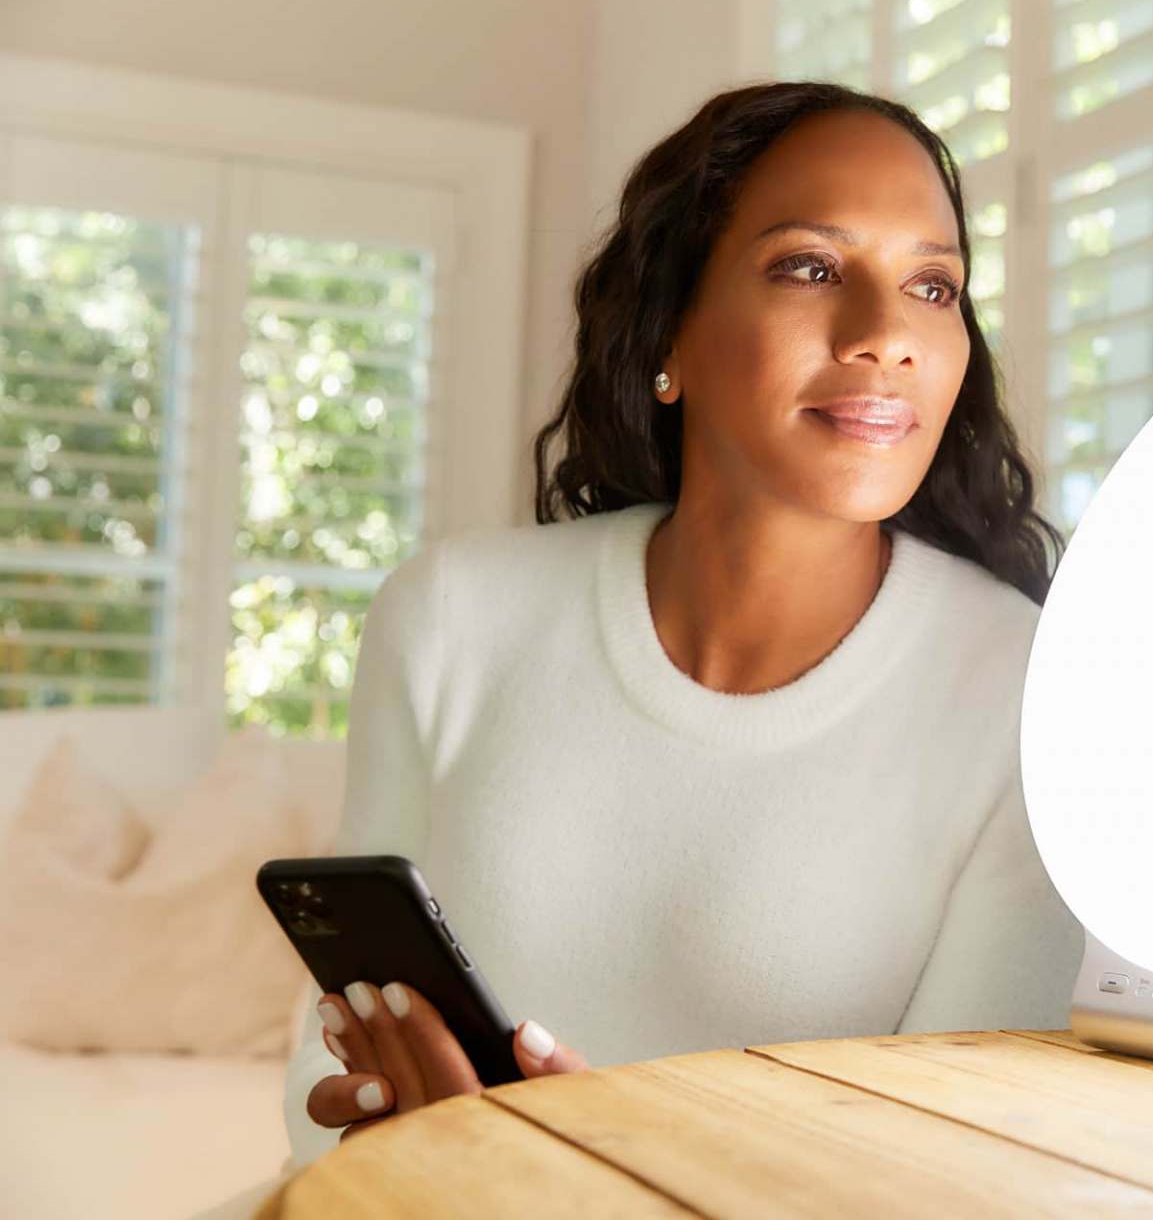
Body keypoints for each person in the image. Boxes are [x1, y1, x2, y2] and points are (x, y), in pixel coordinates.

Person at [279, 80, 1084, 1167]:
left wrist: (609, 1172)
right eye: (811, 267)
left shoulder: (1029, 698)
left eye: (932, 286)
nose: (887, 335)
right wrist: (395, 1136)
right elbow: (322, 1069)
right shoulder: (451, 619)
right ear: (670, 328)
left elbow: (953, 1169)